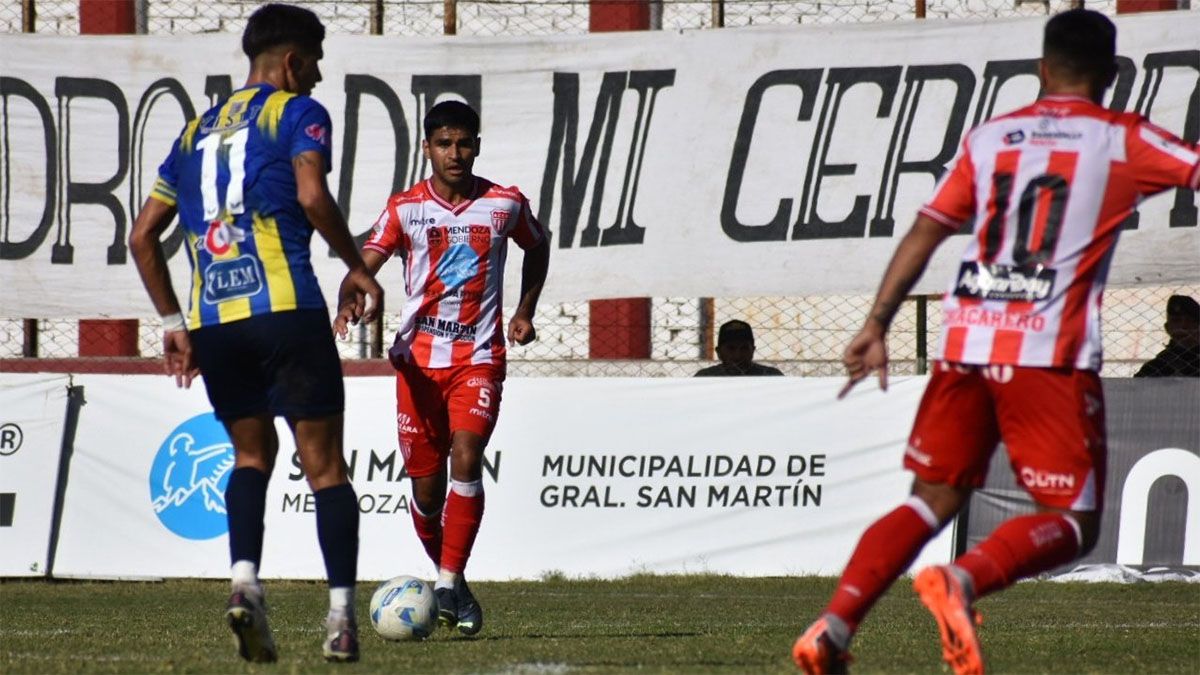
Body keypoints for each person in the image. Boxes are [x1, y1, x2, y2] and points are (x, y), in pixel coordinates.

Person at [791, 9, 1200, 675]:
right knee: (1073, 520)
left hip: (968, 337)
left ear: (1042, 69)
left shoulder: (991, 137)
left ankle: (832, 628)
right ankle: (965, 578)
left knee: (932, 497)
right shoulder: (1121, 137)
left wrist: (877, 321)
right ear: (1112, 74)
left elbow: (927, 228)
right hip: (1047, 350)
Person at [129, 3, 383, 664]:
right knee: (327, 468)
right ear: (293, 61)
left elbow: (141, 235)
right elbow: (310, 194)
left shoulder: (192, 132)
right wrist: (358, 266)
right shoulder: (297, 112)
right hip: (287, 310)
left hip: (216, 322)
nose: (319, 76)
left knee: (250, 458)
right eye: (316, 63)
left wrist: (170, 323)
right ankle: (340, 619)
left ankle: (244, 580)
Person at [336, 100, 550, 636]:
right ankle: (452, 580)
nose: (456, 153)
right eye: (444, 143)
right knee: (427, 493)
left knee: (467, 453)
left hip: (478, 359)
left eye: (465, 143)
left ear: (478, 145)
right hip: (416, 366)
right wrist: (350, 297)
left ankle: (449, 578)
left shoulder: (503, 204)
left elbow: (539, 247)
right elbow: (365, 263)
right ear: (427, 147)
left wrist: (523, 311)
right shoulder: (406, 208)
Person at [1134, 294, 1200, 377]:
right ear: (1167, 328)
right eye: (1176, 321)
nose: (1183, 326)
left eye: (1190, 321)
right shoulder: (1157, 366)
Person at [694, 320, 784, 376]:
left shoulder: (771, 376)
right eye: (731, 349)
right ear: (719, 352)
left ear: (753, 350)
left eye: (744, 348)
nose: (738, 356)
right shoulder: (706, 377)